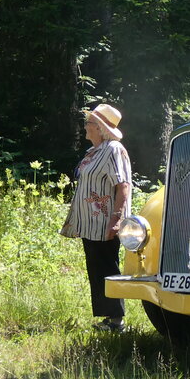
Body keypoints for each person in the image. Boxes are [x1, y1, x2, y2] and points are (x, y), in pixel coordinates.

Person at [61, 103, 132, 332]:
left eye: (89, 123)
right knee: (97, 268)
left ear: (100, 128)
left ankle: (117, 321)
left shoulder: (113, 149)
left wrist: (117, 219)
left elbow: (123, 186)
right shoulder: (95, 151)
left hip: (104, 222)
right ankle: (108, 319)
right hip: (91, 223)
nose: (85, 127)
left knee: (107, 268)